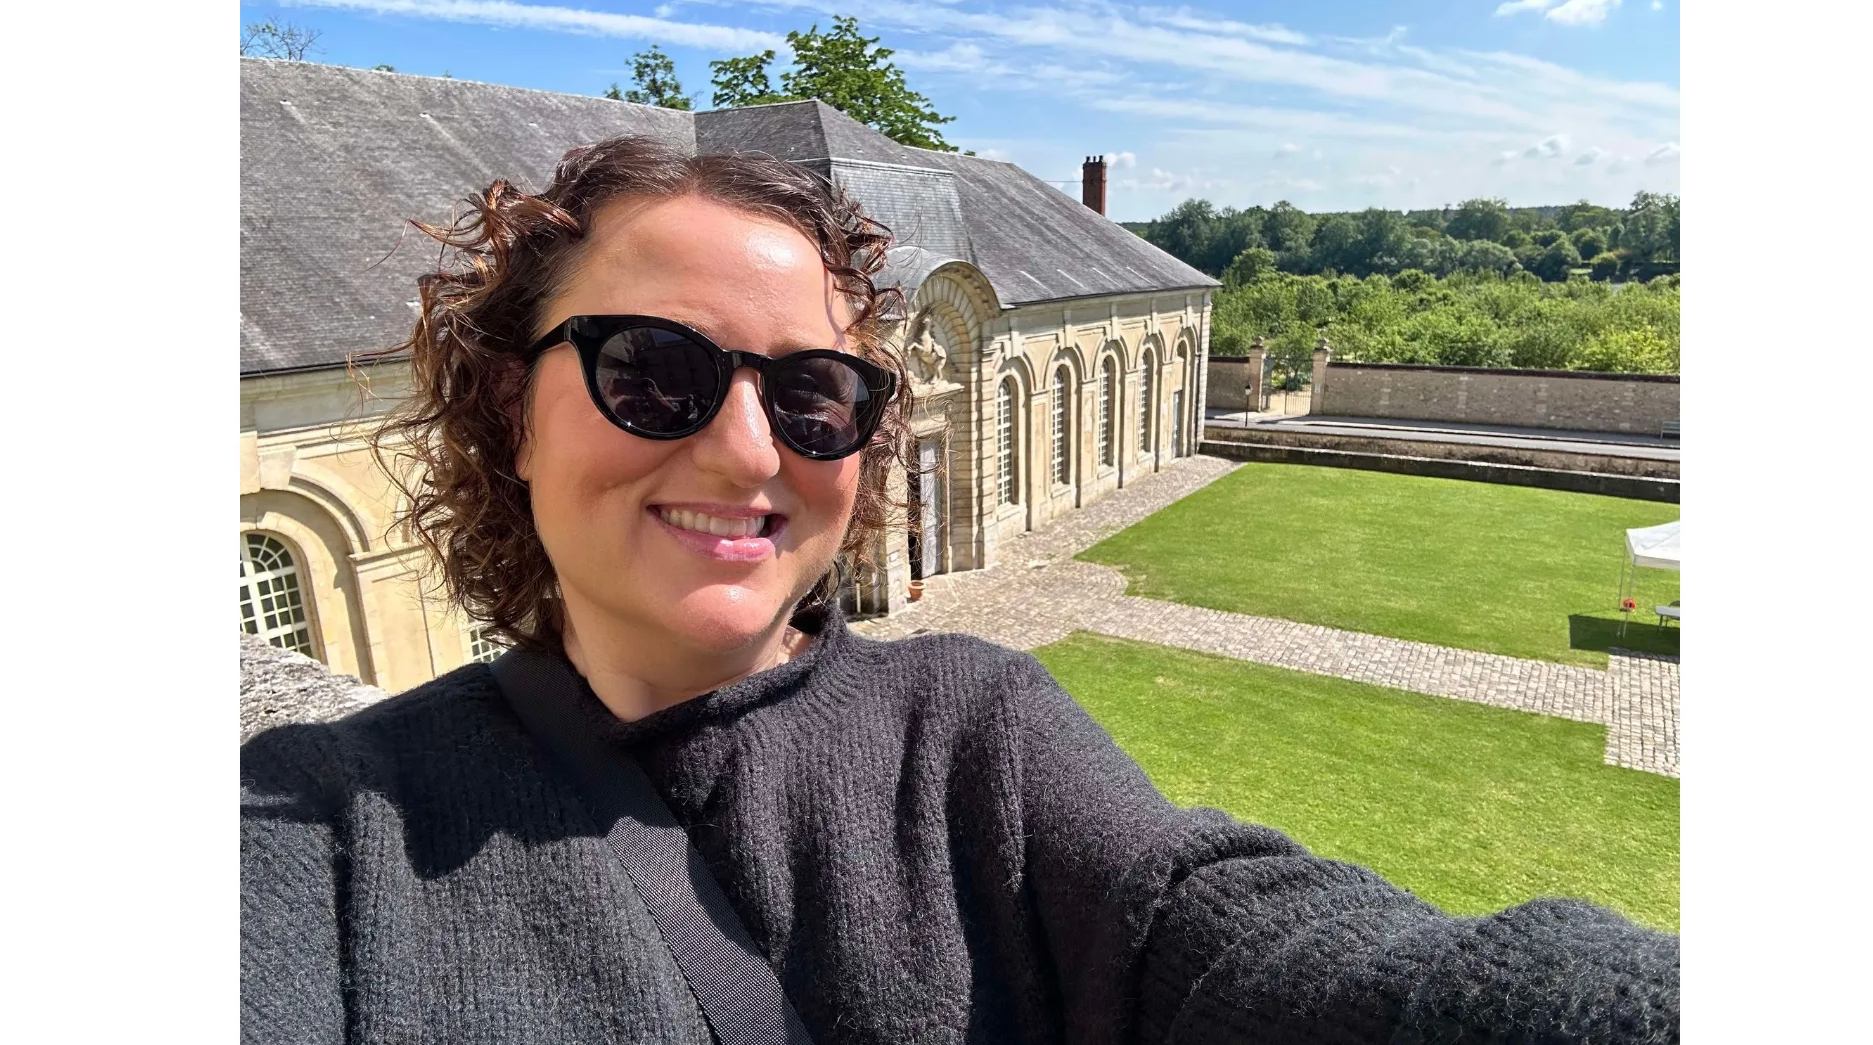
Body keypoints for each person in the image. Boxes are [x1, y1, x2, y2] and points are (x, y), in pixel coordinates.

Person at [241, 136, 1678, 1044]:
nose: (748, 451)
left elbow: (1211, 924)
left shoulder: (967, 725)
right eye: (652, 373)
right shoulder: (315, 824)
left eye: (818, 396)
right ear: (509, 408)